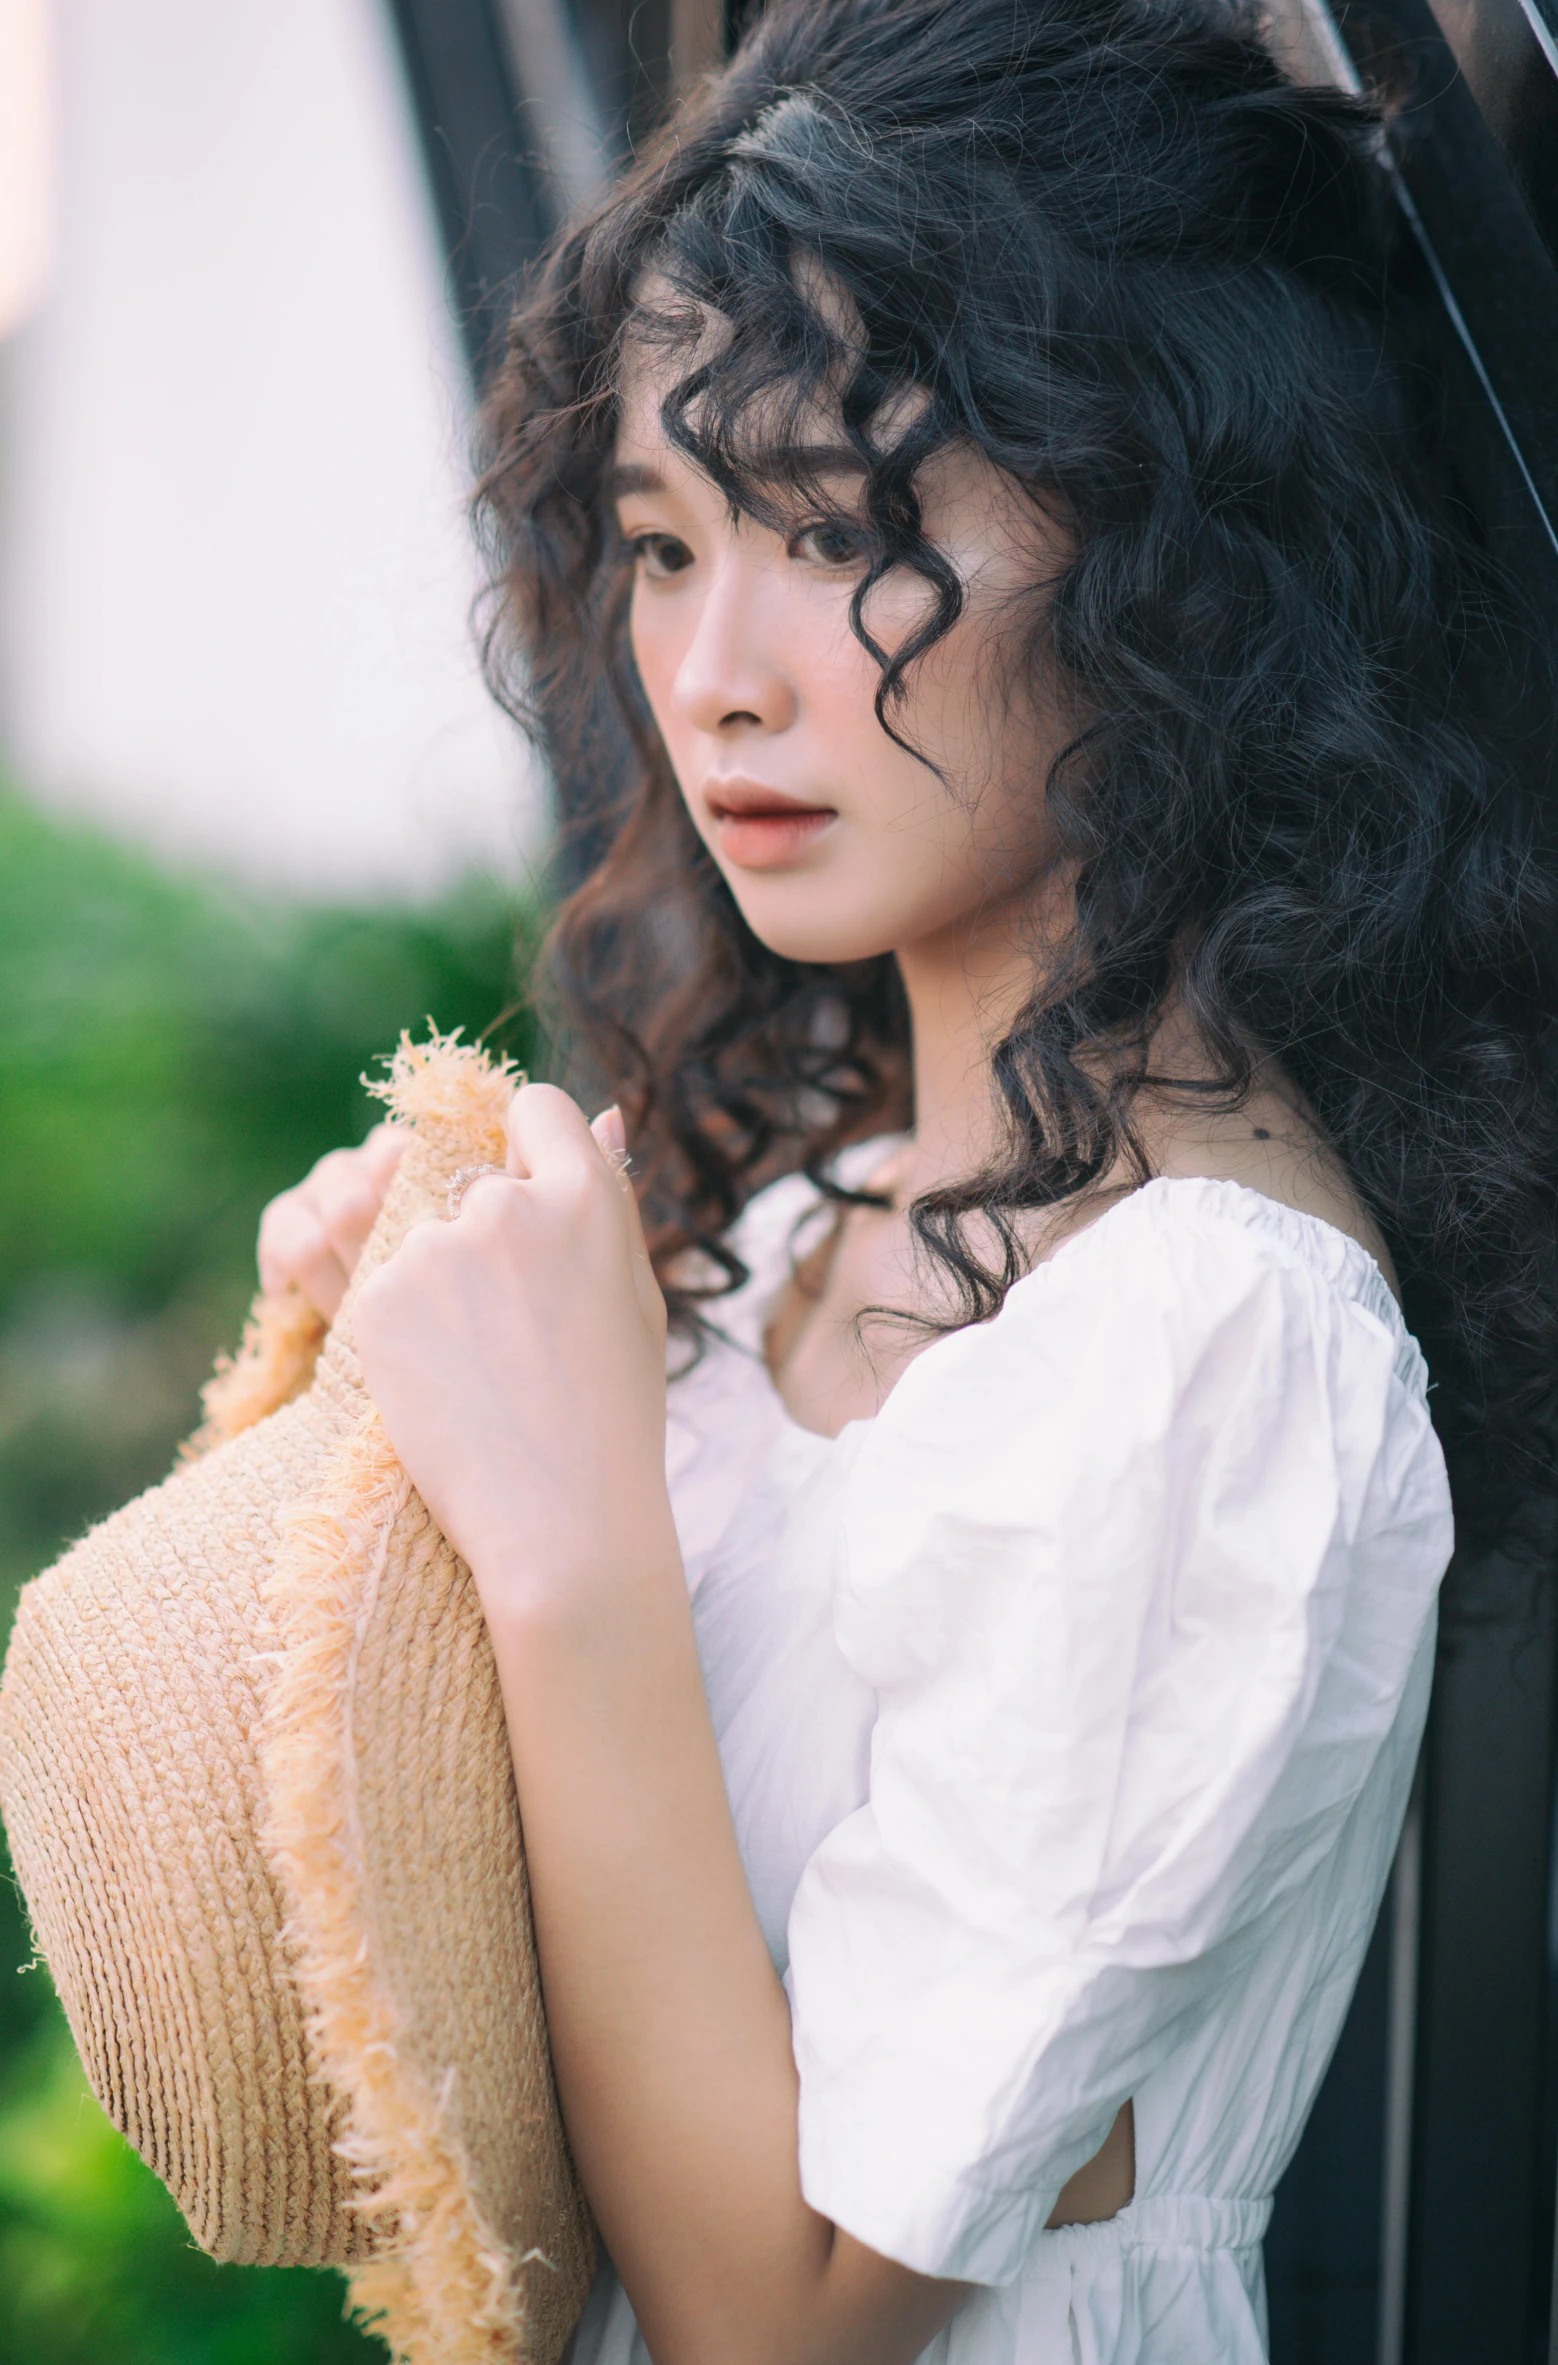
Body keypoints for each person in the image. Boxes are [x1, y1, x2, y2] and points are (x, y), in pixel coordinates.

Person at [256, 1, 1558, 2355]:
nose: (716, 672)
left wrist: (562, 1534)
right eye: (660, 544)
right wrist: (389, 1406)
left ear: (1175, 552)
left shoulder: (1208, 1357)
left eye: (835, 529)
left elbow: (784, 2315)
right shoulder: (799, 1207)